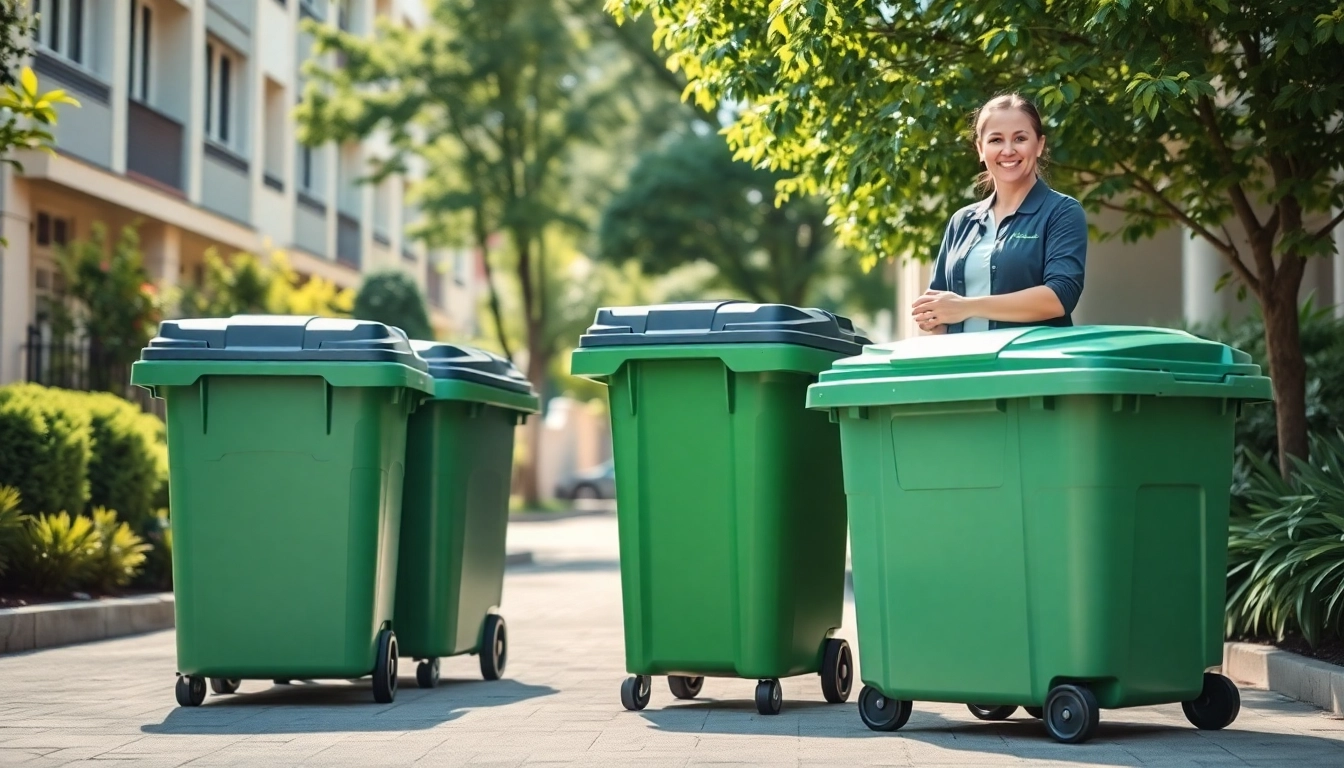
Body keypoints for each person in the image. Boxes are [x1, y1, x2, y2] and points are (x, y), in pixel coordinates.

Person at [911, 93, 1087, 334]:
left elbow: (1059, 296)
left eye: (1020, 138)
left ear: (1040, 145)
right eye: (996, 140)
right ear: (980, 149)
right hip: (965, 366)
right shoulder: (962, 222)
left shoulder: (1061, 212)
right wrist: (933, 316)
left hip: (1027, 365)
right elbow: (939, 312)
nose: (1008, 150)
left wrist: (966, 307)